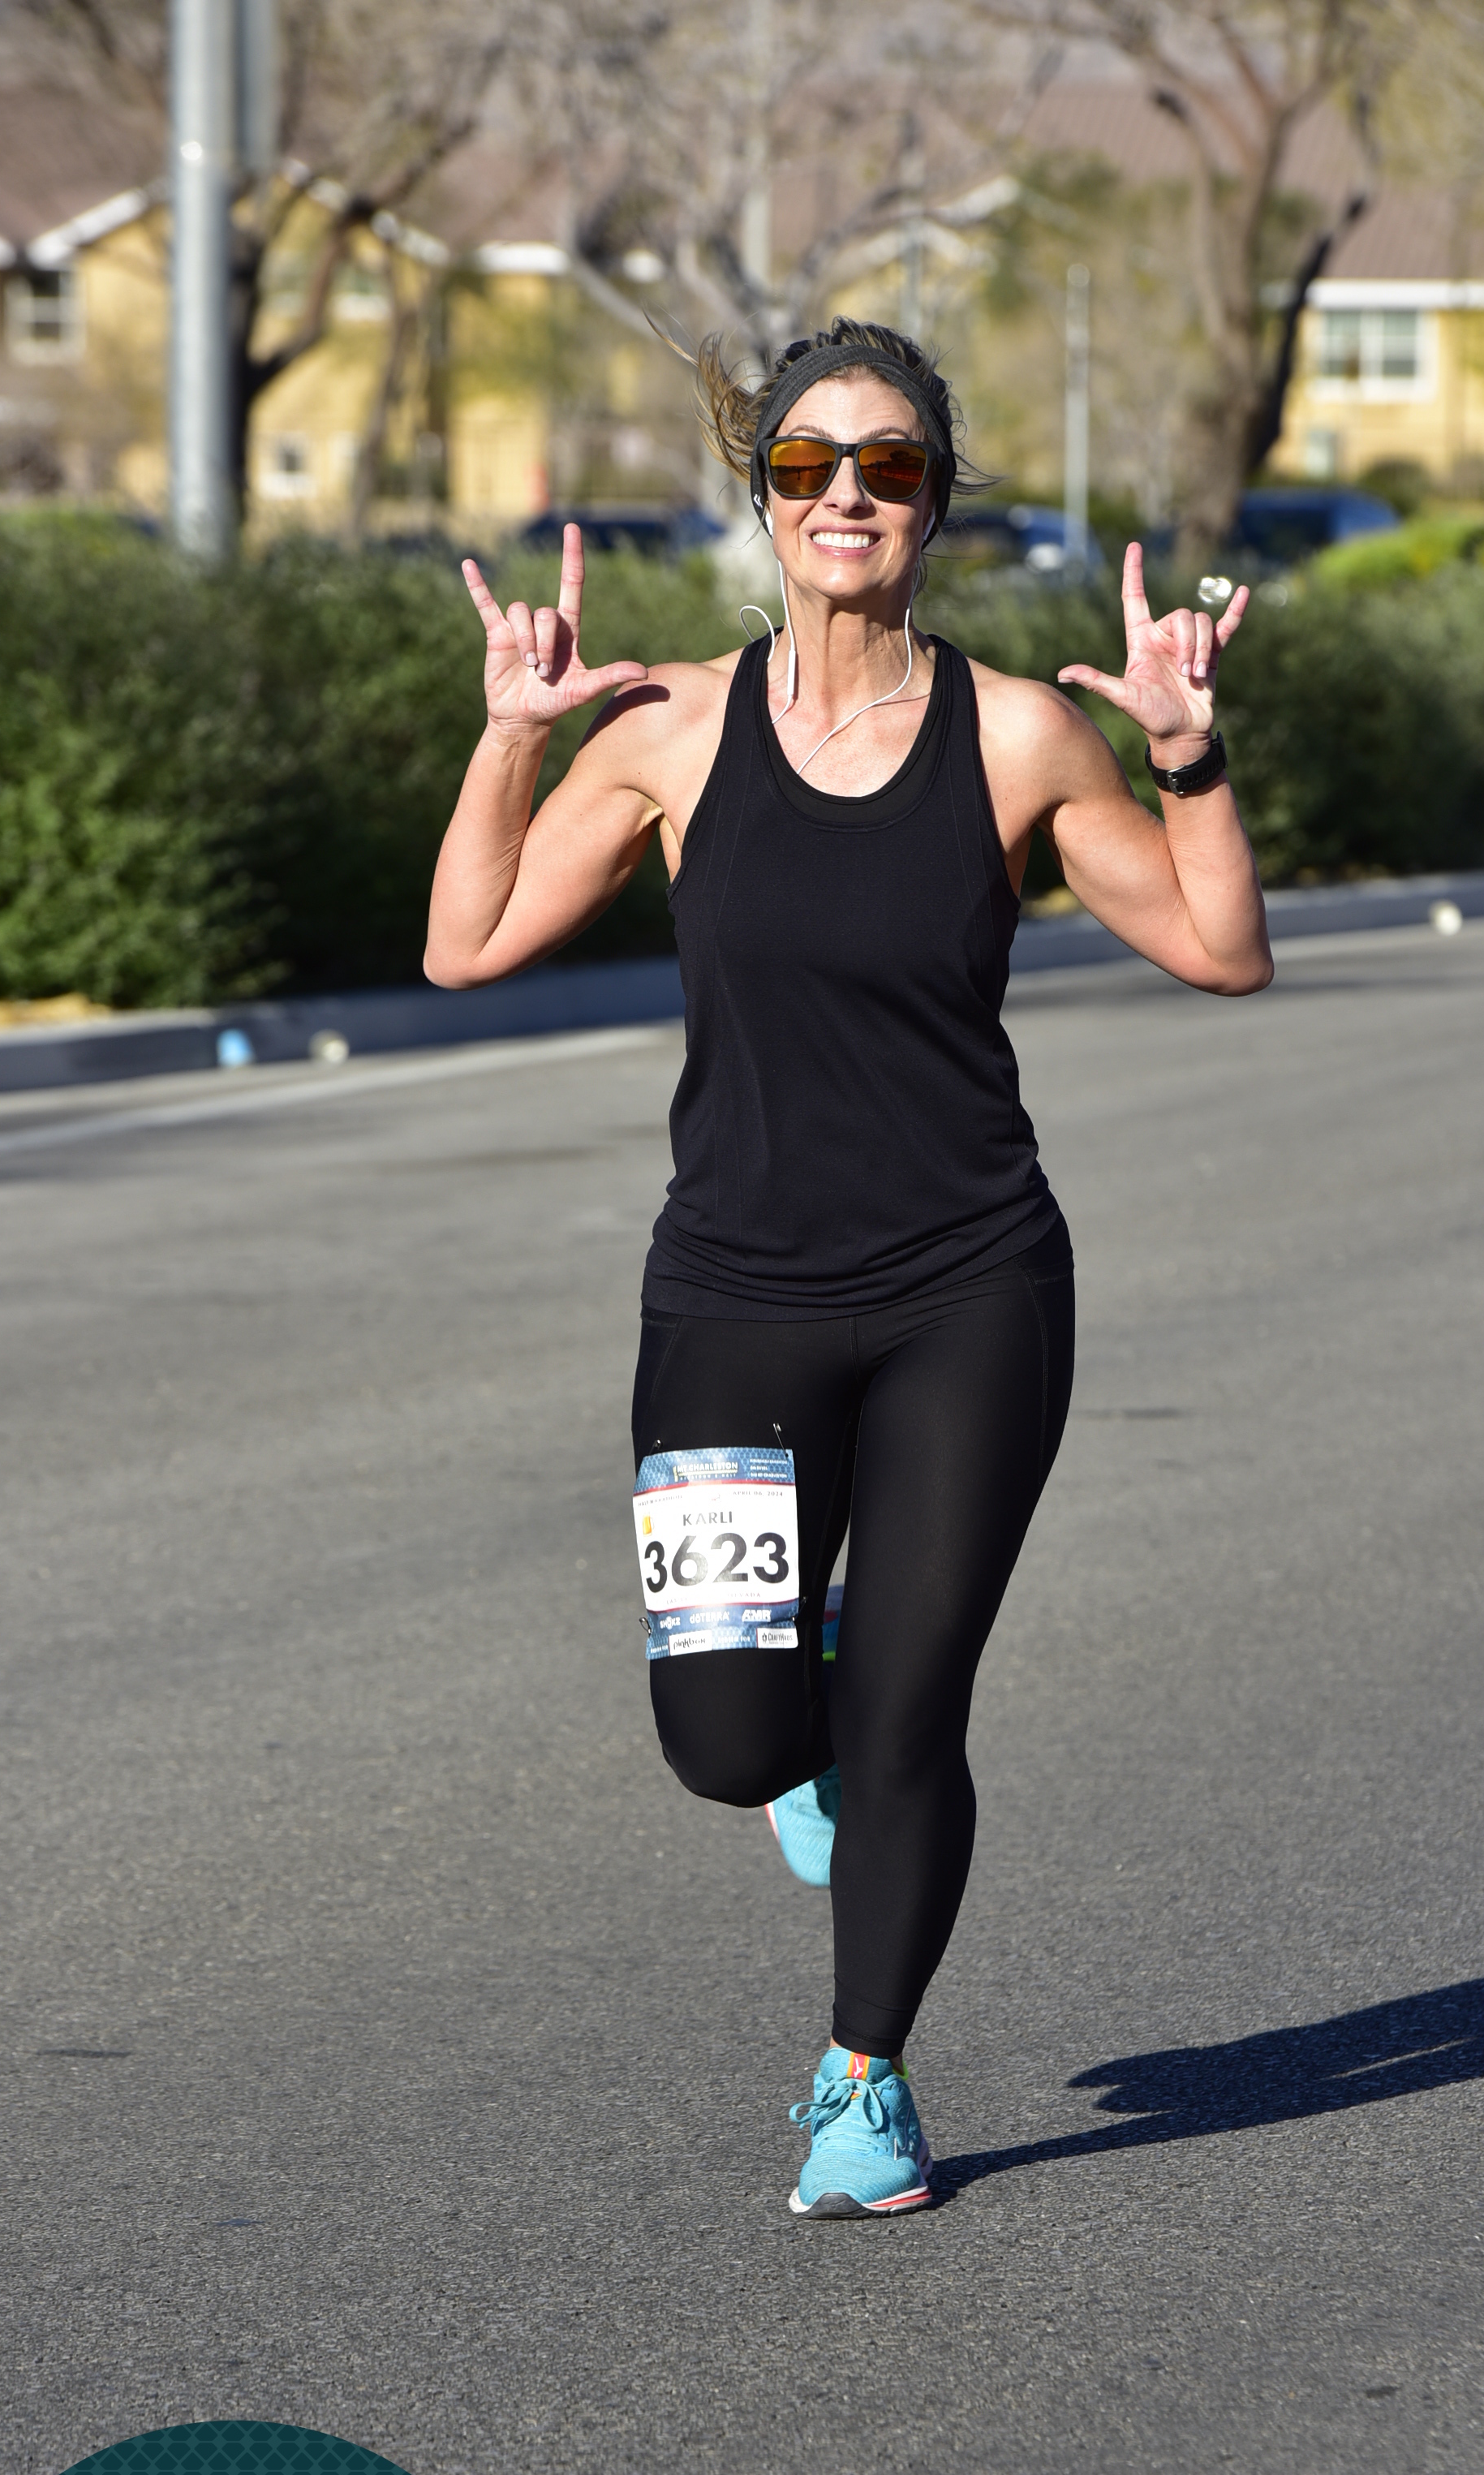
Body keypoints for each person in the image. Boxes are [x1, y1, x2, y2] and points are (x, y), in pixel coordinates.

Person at [426, 319, 1270, 2216]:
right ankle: (792, 1704)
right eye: (809, 466)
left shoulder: (1018, 736)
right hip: (732, 1295)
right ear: (765, 498)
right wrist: (511, 736)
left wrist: (1186, 749)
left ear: (934, 503)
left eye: (888, 467)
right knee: (730, 1744)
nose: (847, 498)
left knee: (905, 1711)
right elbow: (466, 943)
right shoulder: (670, 734)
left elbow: (1220, 950)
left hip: (973, 1287)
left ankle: (862, 2078)